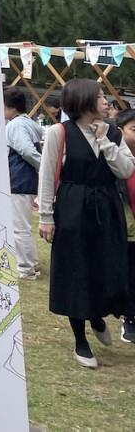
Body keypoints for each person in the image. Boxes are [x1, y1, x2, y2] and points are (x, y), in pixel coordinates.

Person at [38, 78, 135, 368]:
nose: (106, 102)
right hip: (72, 206)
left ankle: (97, 316)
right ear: (84, 101)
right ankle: (80, 340)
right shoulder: (60, 133)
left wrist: (105, 141)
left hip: (107, 206)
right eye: (100, 96)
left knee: (108, 266)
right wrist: (46, 217)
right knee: (75, 270)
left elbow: (126, 169)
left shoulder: (113, 133)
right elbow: (47, 175)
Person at [3, 87, 43, 279]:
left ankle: (25, 268)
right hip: (25, 180)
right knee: (22, 226)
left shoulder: (16, 125)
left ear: (11, 107)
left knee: (19, 228)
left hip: (19, 180)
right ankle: (31, 264)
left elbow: (26, 150)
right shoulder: (29, 123)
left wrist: (44, 167)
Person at [114, 108, 135, 344]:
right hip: (127, 230)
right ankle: (129, 317)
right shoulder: (115, 159)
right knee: (129, 275)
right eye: (134, 129)